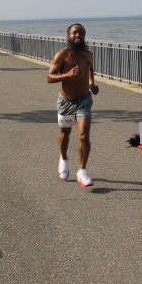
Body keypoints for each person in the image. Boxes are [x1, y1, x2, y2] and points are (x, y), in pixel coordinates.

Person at [47, 23, 99, 187]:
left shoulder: (88, 55)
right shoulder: (62, 55)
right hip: (66, 101)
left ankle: (82, 170)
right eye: (75, 33)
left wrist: (92, 84)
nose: (78, 35)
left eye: (81, 33)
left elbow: (90, 70)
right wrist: (68, 74)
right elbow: (49, 77)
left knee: (84, 136)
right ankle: (63, 159)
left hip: (84, 100)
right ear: (68, 36)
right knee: (65, 134)